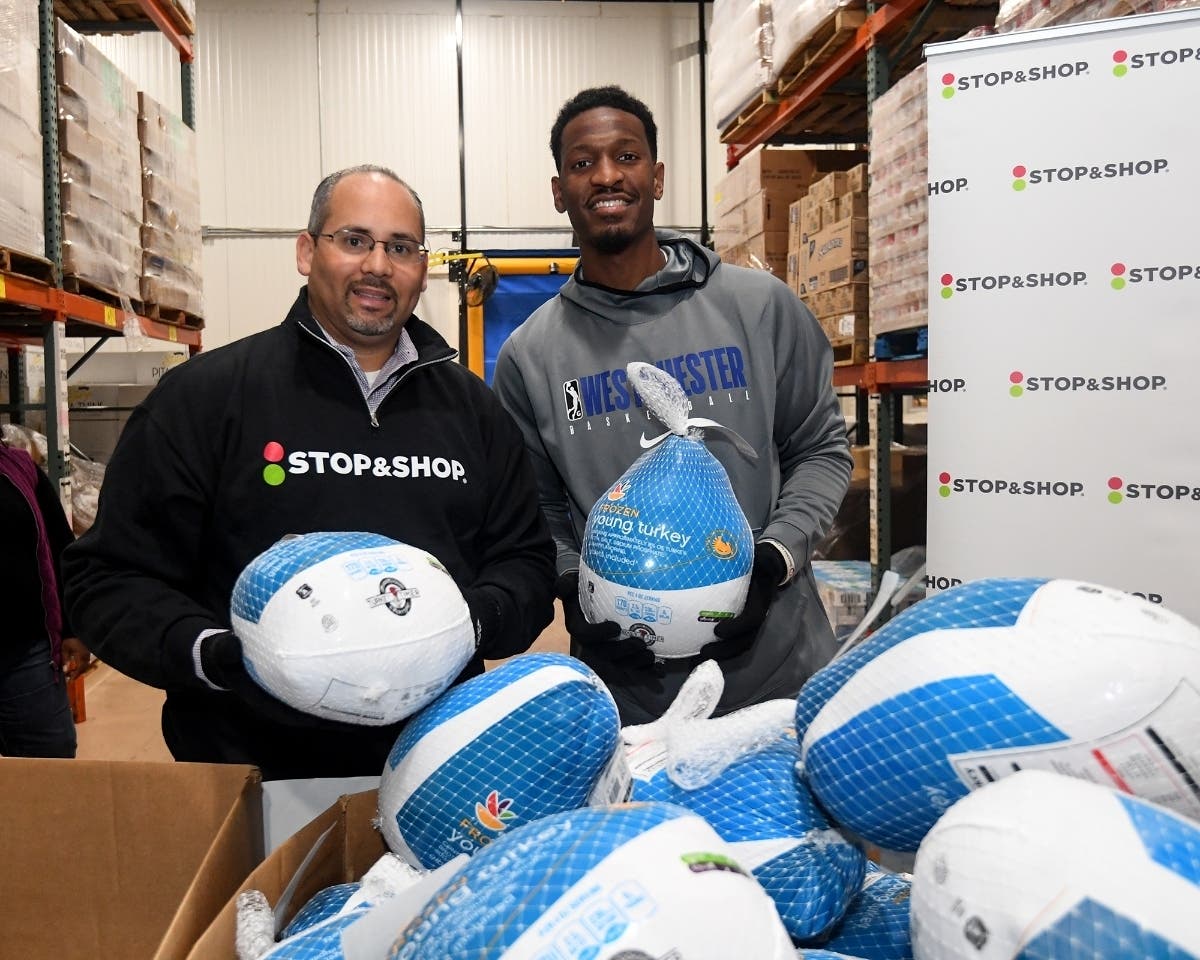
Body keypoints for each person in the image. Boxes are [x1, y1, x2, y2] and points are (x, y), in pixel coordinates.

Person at [63, 165, 556, 779]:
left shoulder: (475, 412)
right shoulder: (204, 399)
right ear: (306, 251)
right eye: (354, 240)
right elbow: (109, 577)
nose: (377, 265)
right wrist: (221, 658)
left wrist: (469, 627)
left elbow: (525, 561)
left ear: (419, 268)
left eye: (400, 248)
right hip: (249, 770)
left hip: (434, 770)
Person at [492, 87, 852, 724]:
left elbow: (820, 450)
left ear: (656, 178)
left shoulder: (759, 307)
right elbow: (538, 508)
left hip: (778, 678)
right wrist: (573, 583)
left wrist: (770, 565)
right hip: (632, 697)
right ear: (558, 190)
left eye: (626, 156)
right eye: (582, 163)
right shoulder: (531, 355)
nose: (606, 176)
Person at [1, 439, 91, 757]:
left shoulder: (18, 468)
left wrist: (73, 628)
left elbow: (60, 545)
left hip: (24, 653)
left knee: (50, 756)